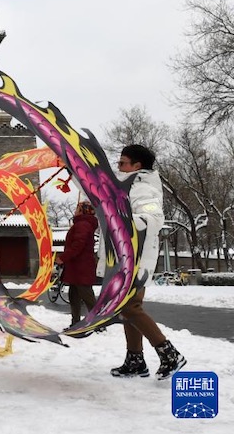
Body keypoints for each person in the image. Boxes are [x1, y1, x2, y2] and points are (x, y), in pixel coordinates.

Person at [110, 144, 186, 379]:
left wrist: (124, 221)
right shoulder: (128, 184)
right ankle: (135, 359)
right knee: (128, 308)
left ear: (137, 166)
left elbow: (152, 218)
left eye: (123, 162)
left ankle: (168, 353)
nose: (119, 166)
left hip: (137, 257)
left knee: (130, 307)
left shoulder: (143, 188)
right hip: (126, 256)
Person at [56, 201, 99, 326]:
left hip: (81, 267)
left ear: (82, 211)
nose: (75, 210)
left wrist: (63, 257)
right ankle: (75, 323)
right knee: (74, 295)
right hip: (77, 267)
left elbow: (78, 245)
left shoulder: (83, 225)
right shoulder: (83, 224)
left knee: (86, 296)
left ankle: (97, 323)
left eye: (78, 208)